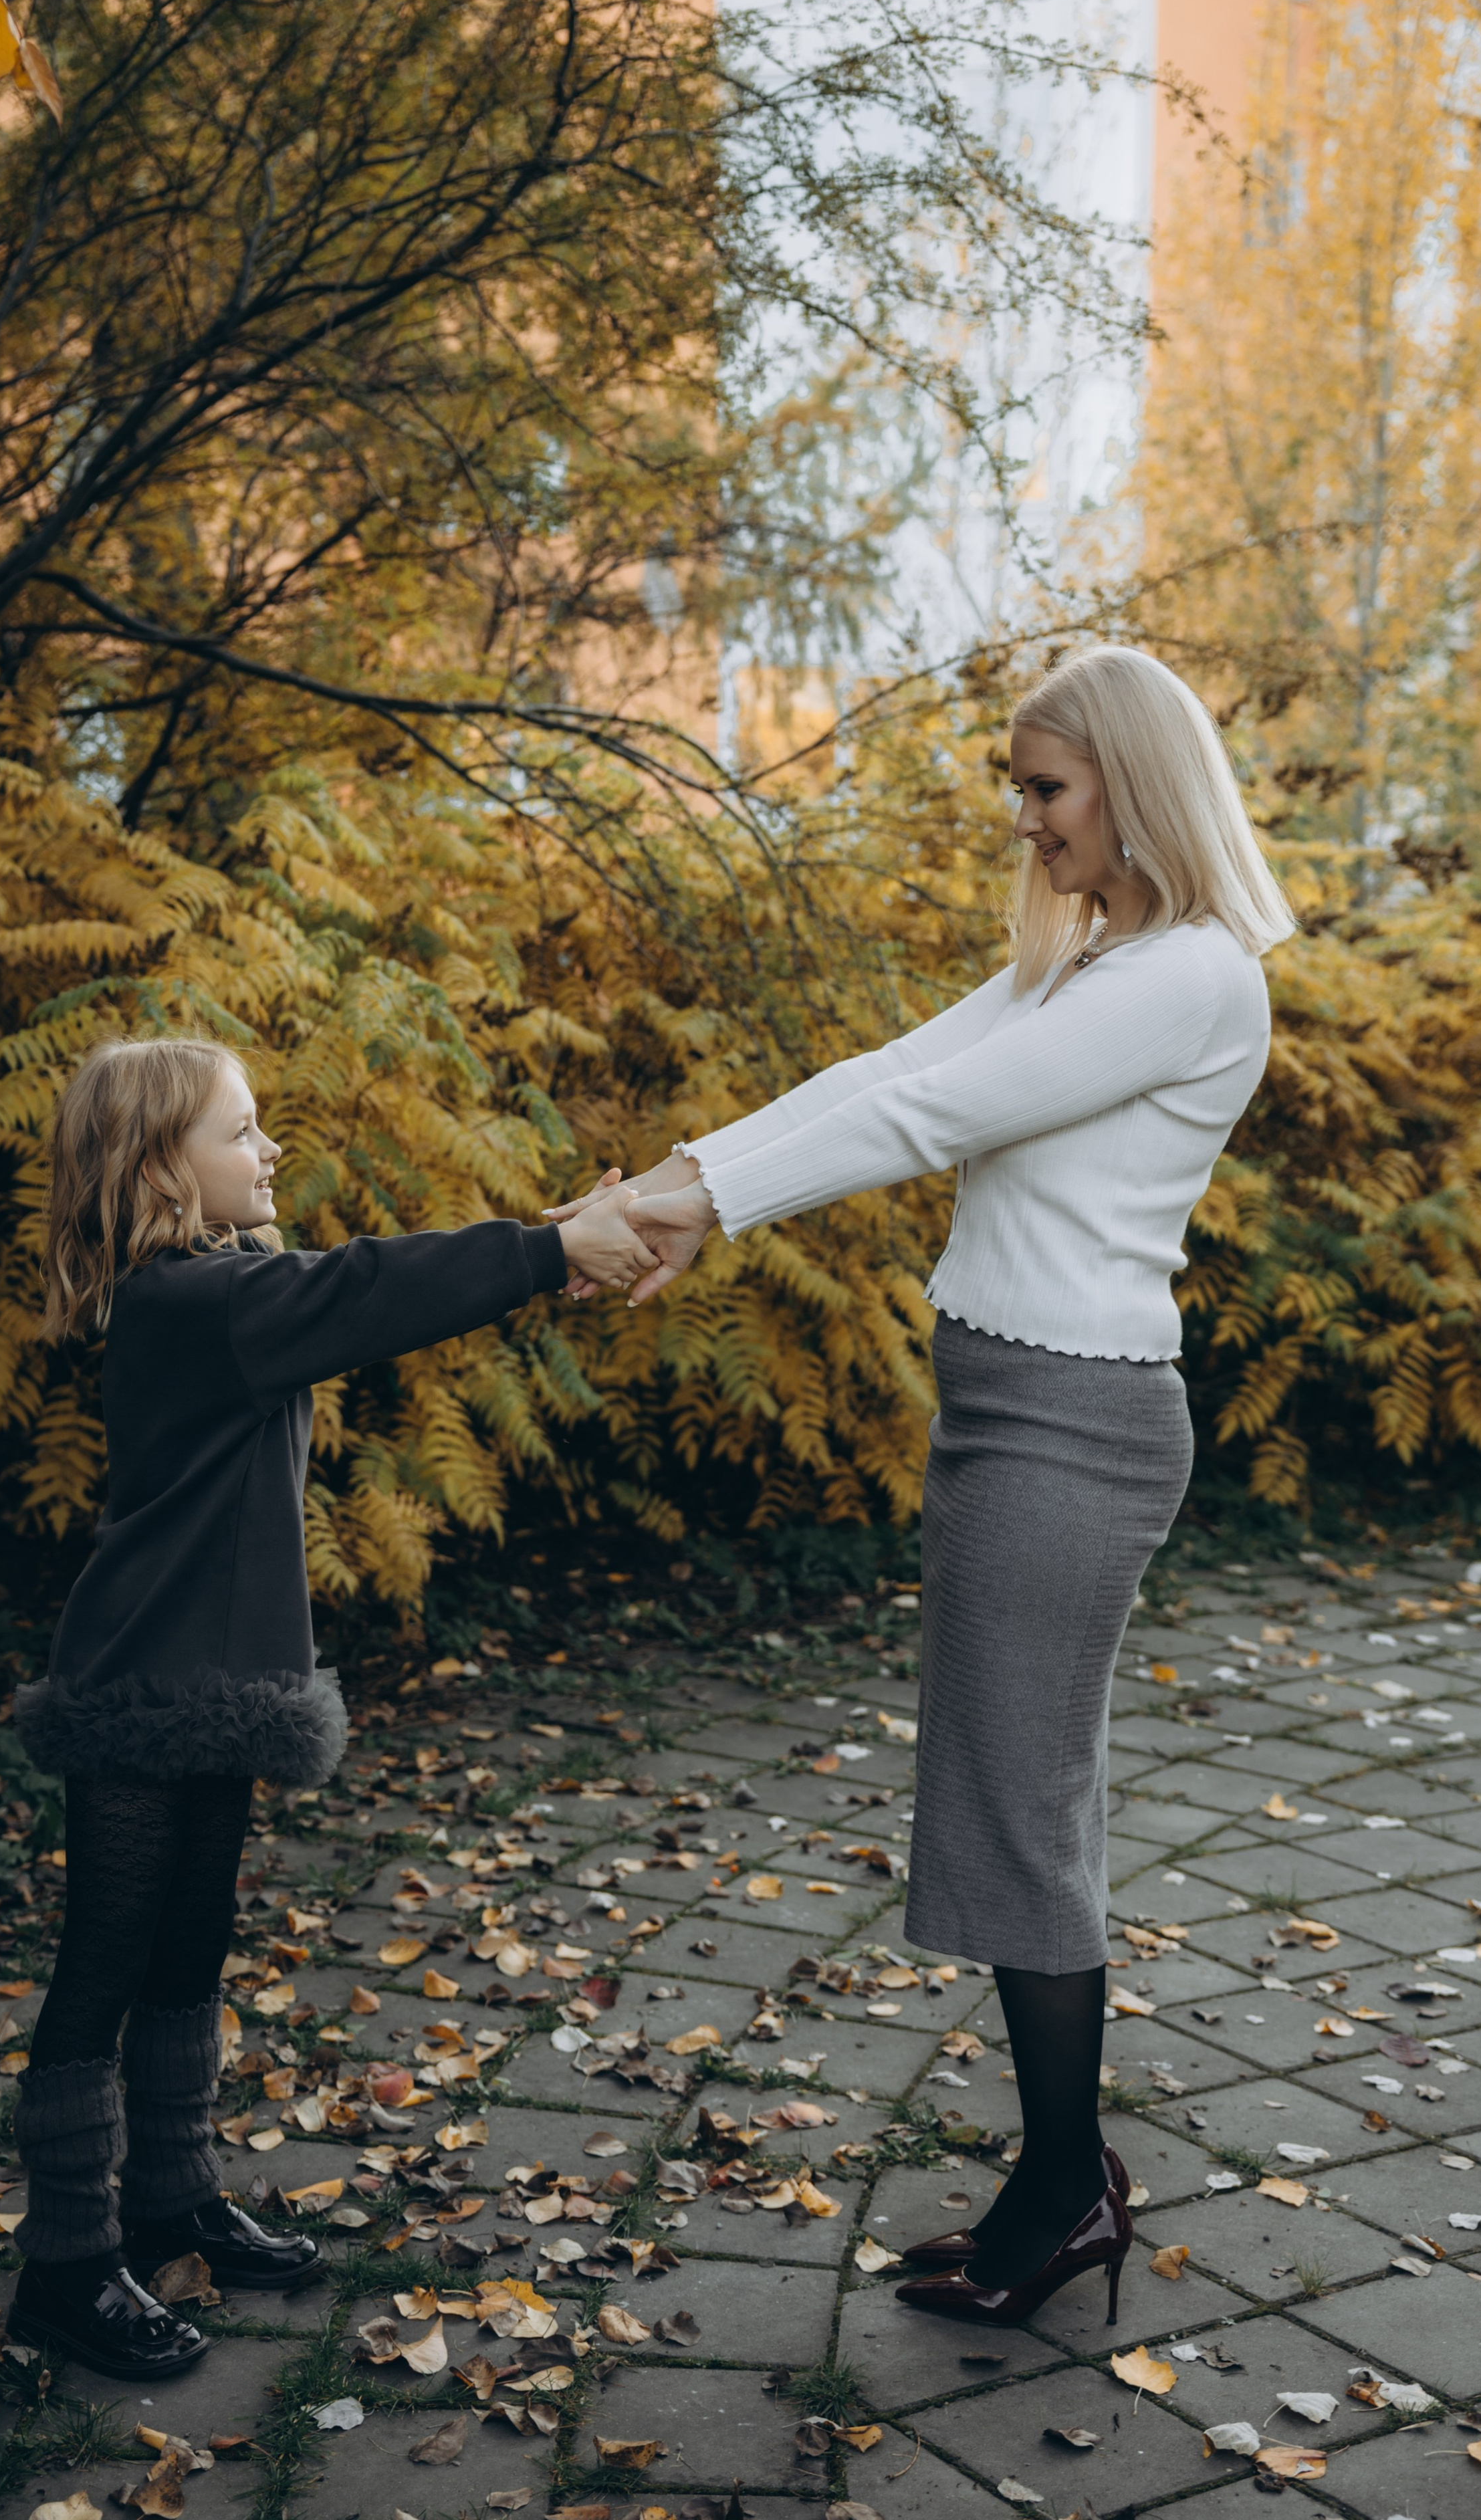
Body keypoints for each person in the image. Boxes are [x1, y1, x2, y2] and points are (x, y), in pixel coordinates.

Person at [550, 645, 1295, 2327]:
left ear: (1130, 784)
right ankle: (1061, 2171)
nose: (1023, 823)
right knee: (1013, 1791)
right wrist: (669, 1187)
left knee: (1015, 1805)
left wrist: (695, 1210)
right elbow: (878, 1074)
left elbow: (932, 1114)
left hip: (1071, 1427)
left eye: (1045, 789)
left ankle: (1060, 2192)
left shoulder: (1189, 978)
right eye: (1018, 792)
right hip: (1010, 1410)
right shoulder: (1097, 958)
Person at [7, 1036, 656, 2378]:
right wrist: (545, 1252)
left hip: (218, 1683)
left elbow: (353, 1289)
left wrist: (554, 1233)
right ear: (154, 1167)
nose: (270, 1152)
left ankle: (173, 2198)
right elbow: (366, 1288)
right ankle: (67, 2268)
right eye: (241, 1133)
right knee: (105, 1970)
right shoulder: (189, 1301)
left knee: (191, 1944)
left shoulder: (227, 1286)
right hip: (143, 1680)